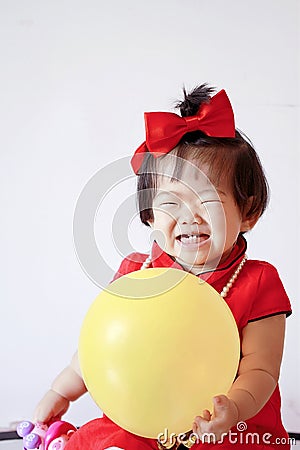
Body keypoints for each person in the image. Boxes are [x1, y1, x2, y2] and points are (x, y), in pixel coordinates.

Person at [34, 84, 292, 449]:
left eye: (208, 201)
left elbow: (261, 370)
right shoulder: (136, 273)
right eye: (171, 203)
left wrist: (232, 410)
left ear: (247, 212)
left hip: (226, 426)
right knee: (112, 442)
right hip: (146, 422)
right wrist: (60, 390)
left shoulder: (258, 281)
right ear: (149, 214)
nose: (189, 218)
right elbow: (100, 347)